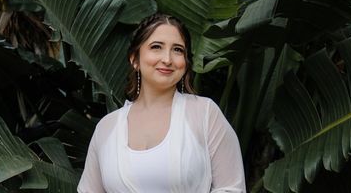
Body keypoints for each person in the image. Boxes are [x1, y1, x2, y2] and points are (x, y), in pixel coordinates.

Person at [77, 13, 246, 192]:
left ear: (186, 62)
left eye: (178, 50)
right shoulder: (106, 128)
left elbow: (232, 188)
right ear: (135, 59)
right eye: (156, 47)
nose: (167, 59)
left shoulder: (205, 114)